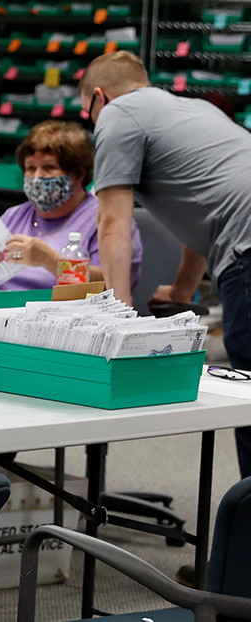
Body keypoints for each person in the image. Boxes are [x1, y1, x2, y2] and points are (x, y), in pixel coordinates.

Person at [80, 51, 251, 496]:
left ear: (99, 97)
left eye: (88, 113)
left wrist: (116, 315)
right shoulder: (195, 111)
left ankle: (244, 560)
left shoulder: (118, 114)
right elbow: (205, 217)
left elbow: (112, 222)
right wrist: (180, 290)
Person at [0, 120, 142, 291]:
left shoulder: (105, 220)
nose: (37, 177)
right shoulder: (13, 216)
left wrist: (50, 261)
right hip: (1, 312)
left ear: (78, 174)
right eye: (30, 168)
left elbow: (113, 285)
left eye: (49, 167)